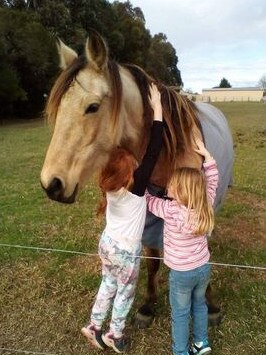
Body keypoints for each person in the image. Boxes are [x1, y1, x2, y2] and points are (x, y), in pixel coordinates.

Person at [81, 83, 163, 353]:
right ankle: (114, 334)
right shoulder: (137, 187)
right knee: (125, 293)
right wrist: (158, 108)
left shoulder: (109, 184)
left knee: (108, 284)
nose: (137, 164)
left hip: (107, 245)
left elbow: (114, 154)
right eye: (133, 163)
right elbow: (154, 150)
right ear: (130, 173)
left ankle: (93, 326)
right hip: (126, 252)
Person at [145, 138, 219, 355]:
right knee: (200, 305)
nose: (169, 187)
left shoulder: (171, 210)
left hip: (181, 274)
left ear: (180, 192)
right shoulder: (206, 202)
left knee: (180, 313)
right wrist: (207, 156)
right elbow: (212, 180)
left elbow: (149, 201)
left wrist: (142, 185)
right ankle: (201, 343)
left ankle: (180, 351)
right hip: (203, 268)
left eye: (173, 185)